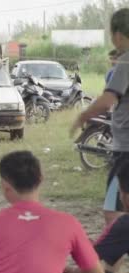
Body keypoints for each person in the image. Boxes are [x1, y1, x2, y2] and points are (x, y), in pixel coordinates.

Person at [71, 8, 129, 226]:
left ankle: (112, 258)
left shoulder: (125, 62)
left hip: (127, 151)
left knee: (113, 212)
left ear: (118, 35)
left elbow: (107, 100)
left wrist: (82, 116)